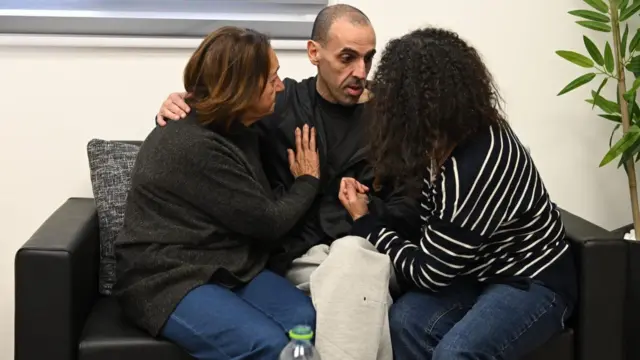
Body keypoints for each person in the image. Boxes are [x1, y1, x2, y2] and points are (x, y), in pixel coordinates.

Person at [155, 5, 419, 360]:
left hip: (368, 247)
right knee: (350, 292)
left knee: (352, 257)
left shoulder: (393, 119)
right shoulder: (279, 105)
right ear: (314, 53)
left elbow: (412, 209)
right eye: (347, 58)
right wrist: (180, 105)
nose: (360, 72)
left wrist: (366, 211)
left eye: (368, 59)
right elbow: (212, 127)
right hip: (300, 258)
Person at [338, 27, 578, 360]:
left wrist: (365, 223)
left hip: (531, 281)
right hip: (477, 272)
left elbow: (429, 273)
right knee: (403, 322)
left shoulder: (478, 162)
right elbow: (431, 231)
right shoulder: (439, 145)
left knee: (455, 354)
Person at [113, 26, 321, 360]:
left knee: (304, 321)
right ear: (241, 88)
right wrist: (308, 180)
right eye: (272, 79)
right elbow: (269, 222)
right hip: (166, 277)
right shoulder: (193, 145)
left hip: (228, 265)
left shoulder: (237, 125)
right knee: (266, 344)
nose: (280, 87)